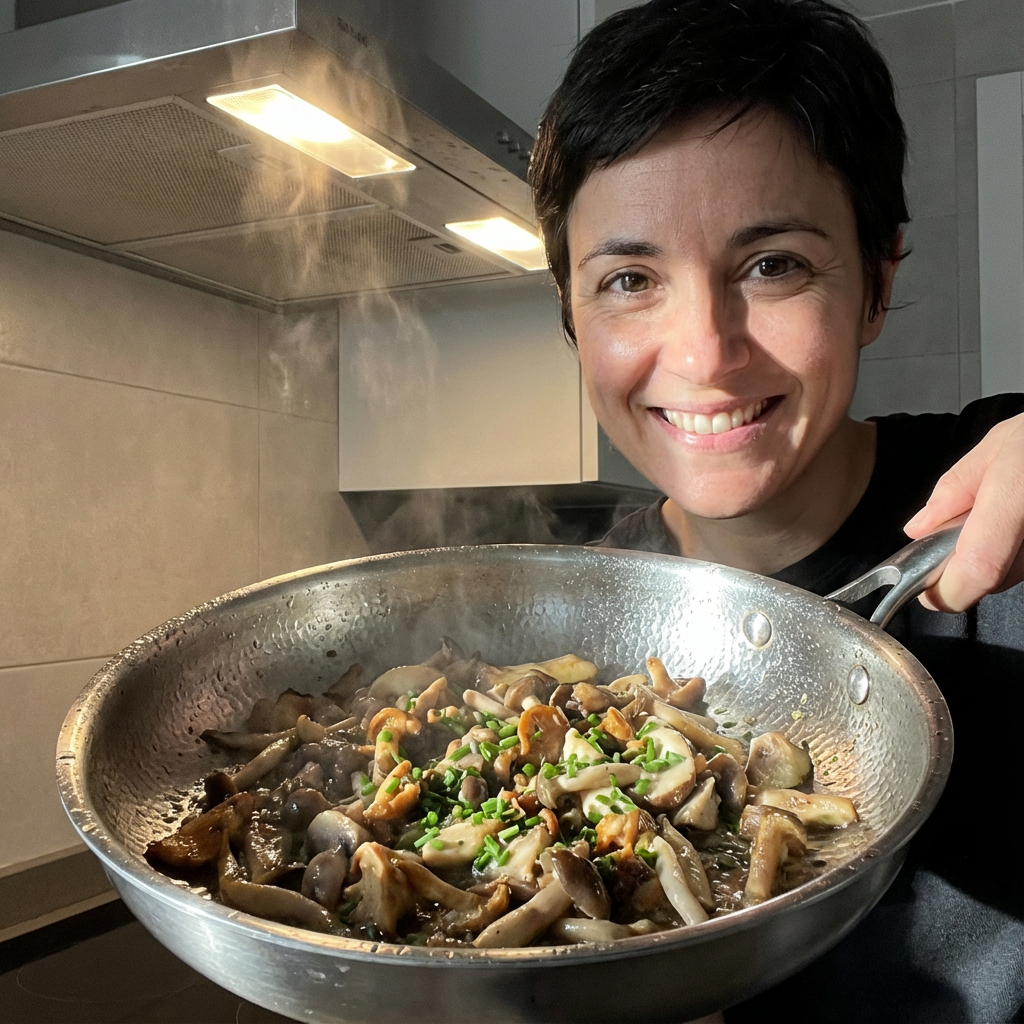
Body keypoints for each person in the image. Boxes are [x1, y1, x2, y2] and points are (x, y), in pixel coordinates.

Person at [528, 1, 1023, 1020]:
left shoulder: (1004, 506)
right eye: (628, 278)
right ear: (572, 318)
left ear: (876, 281)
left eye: (772, 265)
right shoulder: (576, 643)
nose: (706, 354)